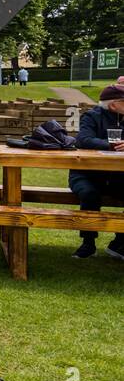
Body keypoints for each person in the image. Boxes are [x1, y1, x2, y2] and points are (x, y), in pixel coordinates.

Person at [70, 83, 124, 260]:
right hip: (87, 174)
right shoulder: (92, 116)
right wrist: (111, 145)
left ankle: (119, 244)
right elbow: (83, 140)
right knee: (89, 194)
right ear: (114, 104)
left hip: (117, 175)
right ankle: (88, 244)